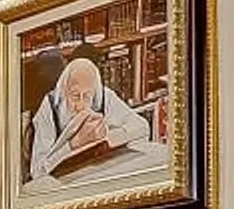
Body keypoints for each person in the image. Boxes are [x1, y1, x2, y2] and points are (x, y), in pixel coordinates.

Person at [26, 51, 164, 187]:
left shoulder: (103, 96)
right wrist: (73, 144)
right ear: (65, 90)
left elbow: (142, 126)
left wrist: (109, 137)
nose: (80, 105)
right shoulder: (49, 107)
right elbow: (38, 171)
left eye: (86, 97)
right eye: (75, 95)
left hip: (98, 173)